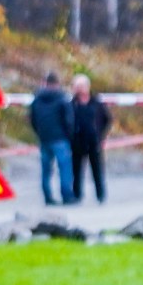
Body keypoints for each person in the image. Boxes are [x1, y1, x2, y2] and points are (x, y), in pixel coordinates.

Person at [67, 74, 114, 202]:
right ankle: (77, 195)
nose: (79, 89)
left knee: (97, 171)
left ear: (87, 87)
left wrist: (101, 135)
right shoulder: (71, 104)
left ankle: (100, 195)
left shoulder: (97, 103)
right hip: (77, 142)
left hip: (94, 142)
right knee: (76, 171)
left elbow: (108, 119)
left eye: (81, 86)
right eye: (76, 86)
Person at [29, 71, 73, 206]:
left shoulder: (37, 99)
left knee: (46, 170)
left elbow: (33, 119)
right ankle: (66, 196)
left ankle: (48, 196)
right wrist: (68, 134)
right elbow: (69, 120)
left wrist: (39, 133)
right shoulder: (62, 99)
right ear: (57, 83)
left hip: (44, 139)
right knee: (64, 168)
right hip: (60, 138)